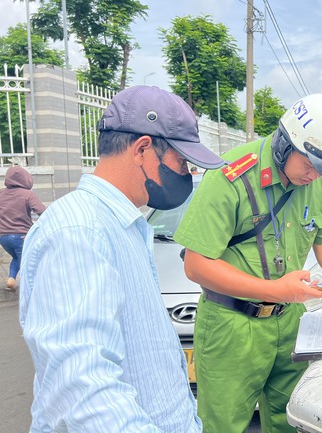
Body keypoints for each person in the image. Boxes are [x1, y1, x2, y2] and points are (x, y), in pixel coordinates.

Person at [175, 93, 322, 433]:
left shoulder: (315, 183)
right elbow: (196, 265)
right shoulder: (231, 176)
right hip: (231, 327)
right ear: (284, 145)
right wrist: (273, 289)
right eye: (310, 165)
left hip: (290, 323)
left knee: (293, 419)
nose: (315, 177)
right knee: (222, 426)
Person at [19, 85, 225, 432]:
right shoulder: (80, 231)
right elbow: (85, 387)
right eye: (182, 162)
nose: (187, 174)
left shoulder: (125, 224)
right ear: (143, 149)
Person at [0, 165, 46, 290]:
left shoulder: (1, 194)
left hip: (3, 237)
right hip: (22, 236)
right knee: (28, 261)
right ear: (26, 179)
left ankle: (11, 279)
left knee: (17, 258)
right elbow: (42, 211)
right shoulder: (27, 195)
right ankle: (32, 288)